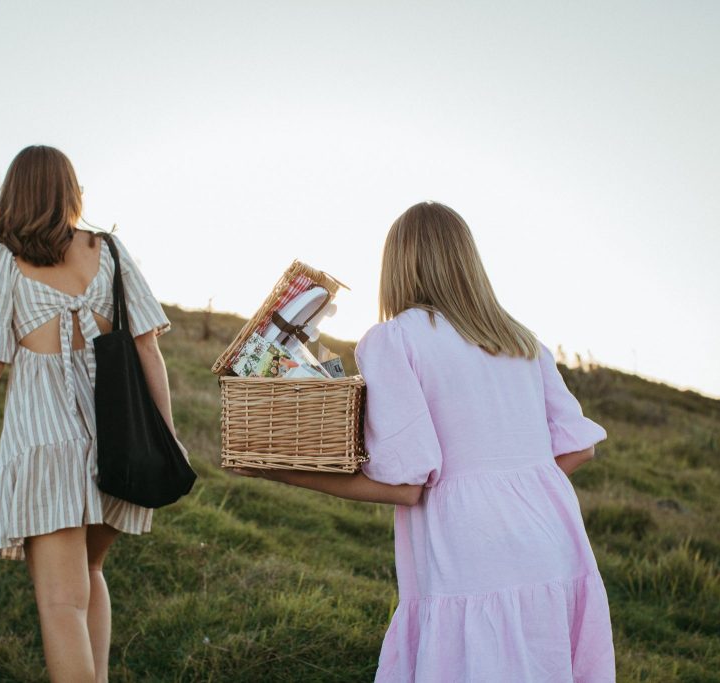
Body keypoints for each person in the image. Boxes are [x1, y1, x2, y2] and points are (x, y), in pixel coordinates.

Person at [234, 201, 616, 682]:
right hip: (556, 543)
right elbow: (580, 447)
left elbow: (405, 484)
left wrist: (275, 468)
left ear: (398, 266)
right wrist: (508, 484)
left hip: (471, 555)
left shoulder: (394, 340)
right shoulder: (521, 341)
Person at [0, 145, 176, 682]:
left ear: (13, 194)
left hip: (45, 444)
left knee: (61, 603)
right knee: (91, 573)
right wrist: (166, 435)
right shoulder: (110, 251)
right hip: (117, 440)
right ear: (71, 192)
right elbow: (148, 350)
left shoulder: (2, 259)